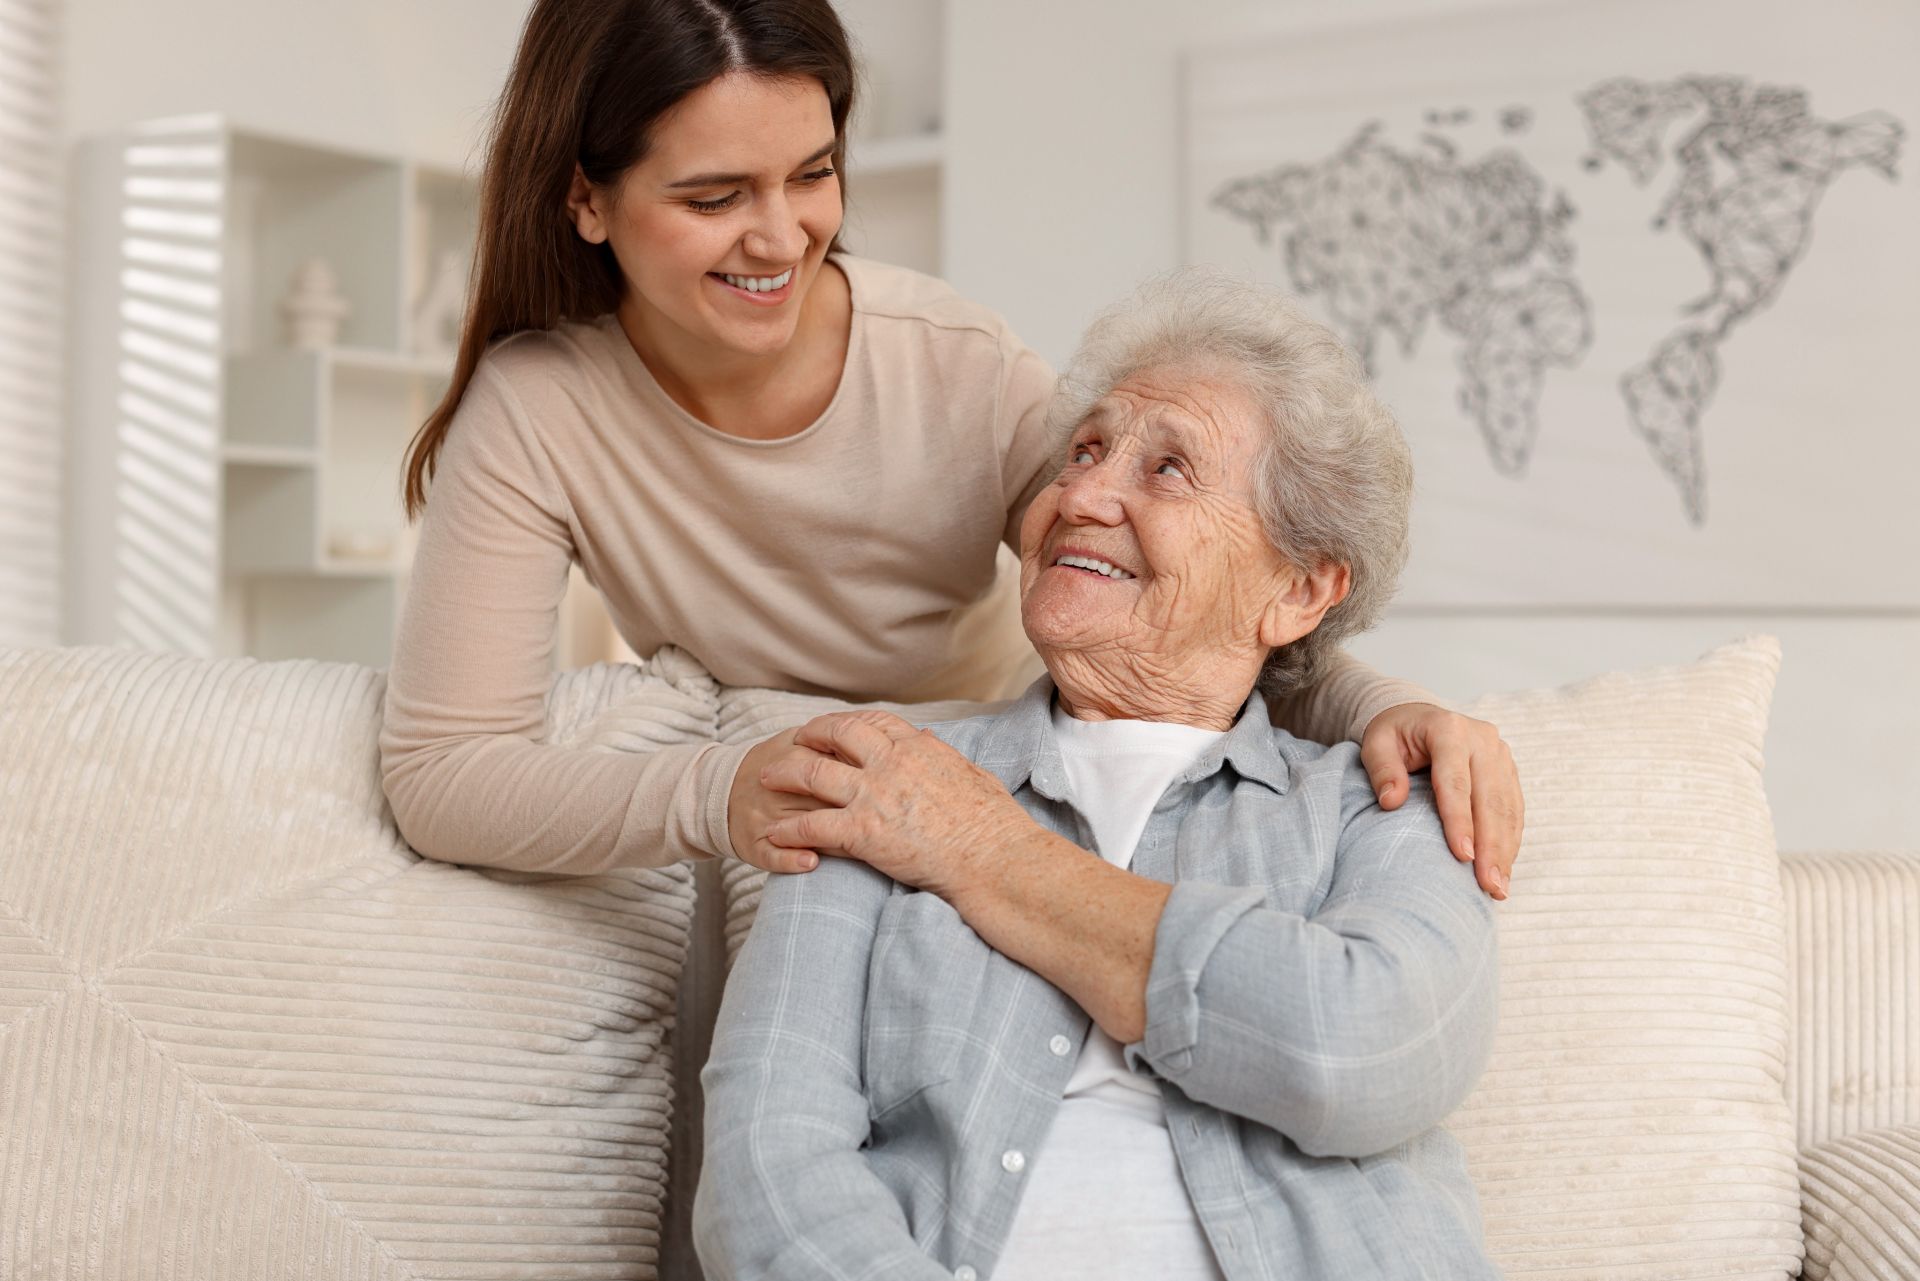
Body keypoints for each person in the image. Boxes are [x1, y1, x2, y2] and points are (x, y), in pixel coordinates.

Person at [377, 0, 1525, 898]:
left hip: (1018, 794)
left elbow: (1190, 590)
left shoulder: (950, 363)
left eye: (813, 173)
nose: (781, 237)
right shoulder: (536, 413)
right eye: (716, 195)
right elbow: (441, 775)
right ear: (586, 199)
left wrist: (1378, 707)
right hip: (788, 830)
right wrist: (720, 792)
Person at [694, 269, 1501, 1280]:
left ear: (1298, 589)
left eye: (1166, 471)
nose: (1079, 495)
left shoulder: (1378, 807)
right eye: (1082, 452)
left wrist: (981, 849)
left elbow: (1367, 1057)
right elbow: (767, 1176)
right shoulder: (880, 776)